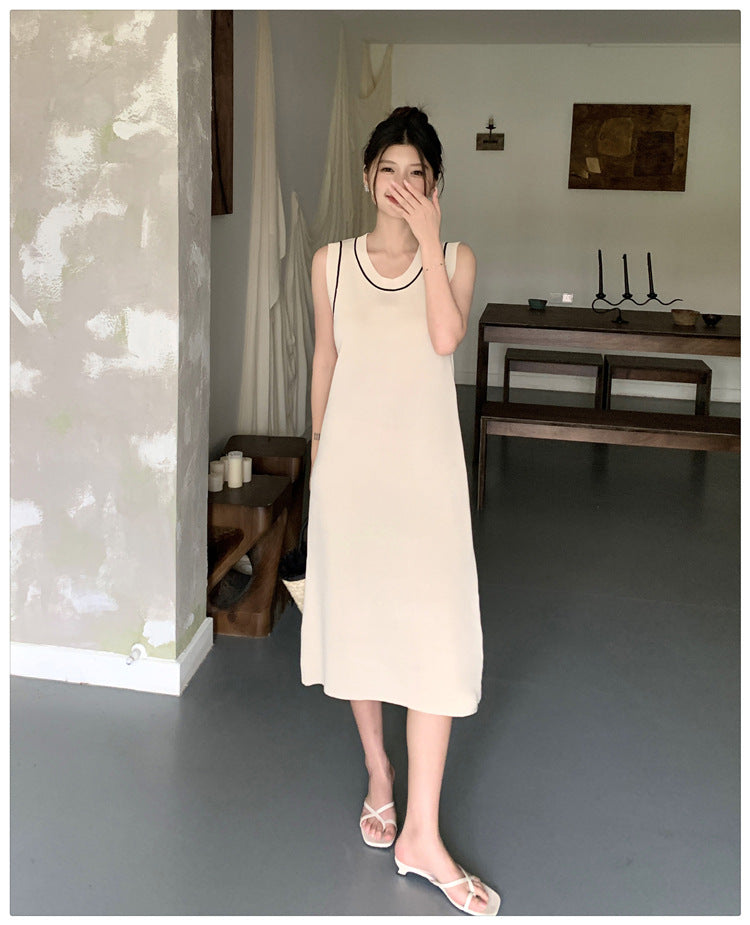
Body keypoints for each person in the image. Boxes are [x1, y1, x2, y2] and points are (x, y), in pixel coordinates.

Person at [300, 106, 500, 916]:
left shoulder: (454, 258)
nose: (401, 184)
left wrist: (429, 236)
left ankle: (422, 832)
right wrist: (318, 458)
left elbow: (446, 338)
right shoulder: (330, 263)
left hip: (428, 484)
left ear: (435, 184)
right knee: (361, 628)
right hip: (352, 480)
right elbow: (326, 358)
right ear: (367, 176)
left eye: (418, 173)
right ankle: (380, 771)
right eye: (389, 168)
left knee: (436, 642)